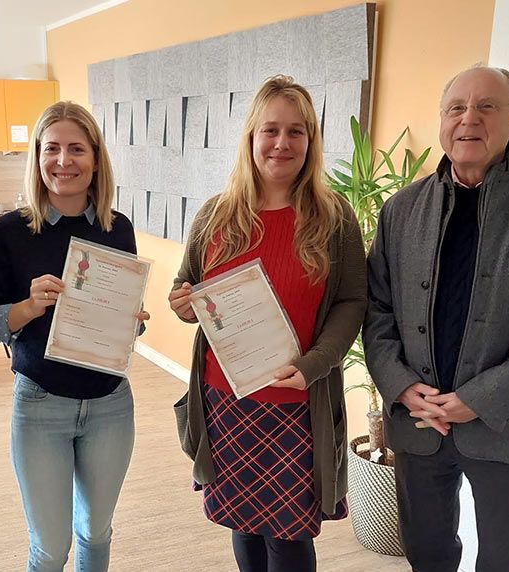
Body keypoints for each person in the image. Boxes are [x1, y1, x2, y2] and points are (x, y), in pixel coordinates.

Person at [364, 66, 509, 572]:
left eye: (486, 107)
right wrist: (400, 384)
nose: (468, 119)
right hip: (418, 419)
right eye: (456, 107)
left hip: (507, 421)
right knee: (427, 549)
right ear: (442, 121)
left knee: (508, 555)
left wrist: (476, 399)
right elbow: (377, 309)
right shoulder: (401, 209)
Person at [168, 75, 366, 572]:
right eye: (270, 130)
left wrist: (314, 364)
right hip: (226, 400)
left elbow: (351, 302)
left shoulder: (333, 217)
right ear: (251, 138)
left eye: (296, 132)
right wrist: (183, 302)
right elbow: (185, 283)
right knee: (245, 525)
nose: (282, 143)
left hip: (297, 401)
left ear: (311, 142)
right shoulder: (216, 216)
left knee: (289, 537)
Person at [0, 101, 149, 572]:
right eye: (52, 148)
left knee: (95, 532)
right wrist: (29, 307)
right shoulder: (10, 231)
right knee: (50, 548)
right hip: (40, 405)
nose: (63, 161)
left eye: (76, 149)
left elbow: (124, 325)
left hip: (110, 403)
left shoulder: (118, 228)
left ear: (95, 159)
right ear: (37, 155)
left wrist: (131, 321)